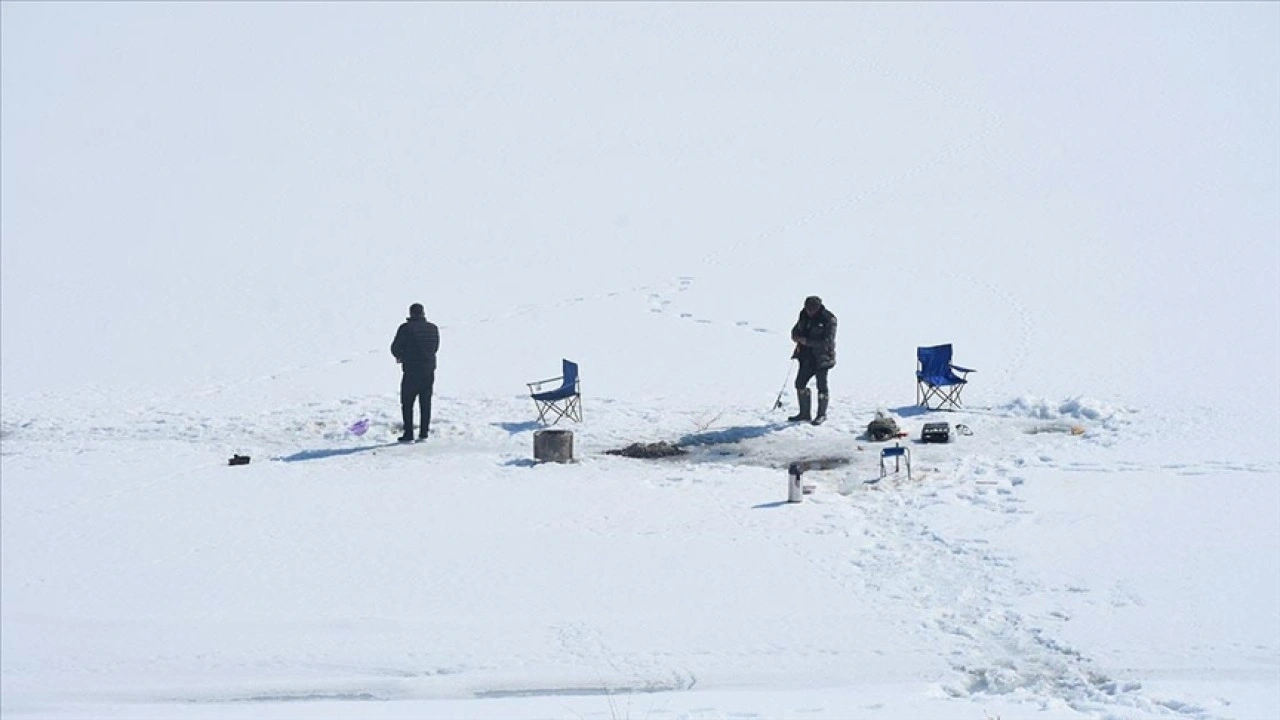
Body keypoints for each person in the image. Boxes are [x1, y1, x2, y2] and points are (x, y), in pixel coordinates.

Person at [390, 303, 440, 442]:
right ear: (423, 313)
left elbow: (395, 347)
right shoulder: (433, 328)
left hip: (411, 370)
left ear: (411, 313)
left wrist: (401, 355)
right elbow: (435, 347)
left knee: (407, 403)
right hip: (428, 370)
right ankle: (424, 433)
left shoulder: (405, 328)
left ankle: (409, 433)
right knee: (425, 402)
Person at [788, 295, 837, 424]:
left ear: (818, 307)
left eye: (812, 309)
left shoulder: (829, 319)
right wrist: (795, 336)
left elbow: (827, 341)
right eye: (807, 308)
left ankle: (821, 414)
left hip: (823, 357)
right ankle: (804, 413)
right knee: (800, 383)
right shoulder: (803, 314)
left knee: (822, 386)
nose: (809, 311)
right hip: (806, 356)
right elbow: (797, 328)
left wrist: (807, 341)